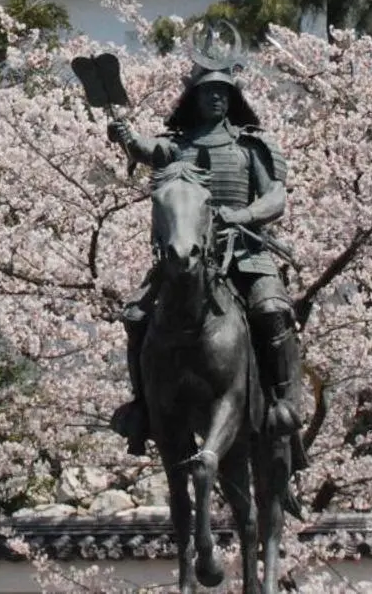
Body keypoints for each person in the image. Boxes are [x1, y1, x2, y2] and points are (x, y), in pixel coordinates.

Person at [108, 63, 304, 457]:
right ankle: (143, 407)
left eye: (223, 92)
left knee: (270, 310)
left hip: (244, 250)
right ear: (193, 97)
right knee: (136, 316)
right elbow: (147, 150)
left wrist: (242, 215)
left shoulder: (252, 145)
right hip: (189, 255)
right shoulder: (177, 146)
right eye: (208, 91)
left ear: (233, 98)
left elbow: (275, 198)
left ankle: (284, 404)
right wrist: (125, 134)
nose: (216, 97)